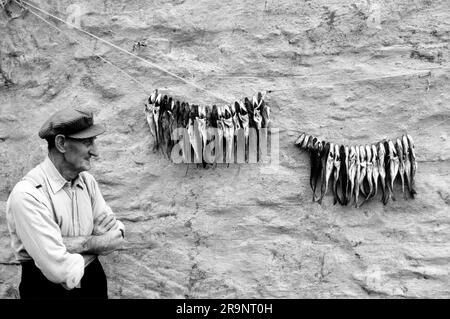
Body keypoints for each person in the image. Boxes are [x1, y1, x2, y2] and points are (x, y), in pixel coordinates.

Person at [6, 107, 126, 299]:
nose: (95, 151)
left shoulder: (87, 182)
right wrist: (94, 241)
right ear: (61, 143)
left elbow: (118, 235)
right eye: (87, 142)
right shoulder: (28, 194)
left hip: (94, 285)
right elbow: (60, 271)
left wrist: (66, 244)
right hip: (46, 291)